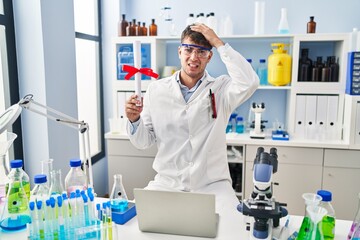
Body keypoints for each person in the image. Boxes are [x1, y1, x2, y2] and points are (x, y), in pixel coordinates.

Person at [125, 23, 259, 208]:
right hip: (167, 185)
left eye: (202, 51)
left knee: (228, 230)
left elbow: (250, 82)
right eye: (188, 49)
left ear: (210, 56)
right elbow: (143, 141)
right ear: (179, 52)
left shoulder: (222, 88)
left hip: (213, 187)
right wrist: (134, 120)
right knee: (139, 227)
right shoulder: (157, 89)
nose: (194, 57)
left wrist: (218, 43)